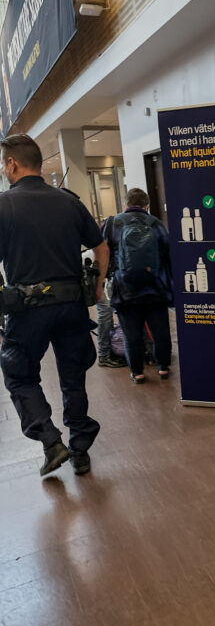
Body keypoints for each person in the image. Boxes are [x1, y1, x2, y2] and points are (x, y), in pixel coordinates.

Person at [0, 134, 109, 476]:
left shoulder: (3, 205)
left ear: (13, 164)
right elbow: (101, 248)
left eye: (4, 164)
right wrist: (98, 286)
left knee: (19, 375)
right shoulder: (68, 201)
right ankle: (80, 449)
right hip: (72, 306)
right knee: (73, 377)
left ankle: (51, 442)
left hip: (26, 310)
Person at [103, 188, 173, 384]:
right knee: (160, 331)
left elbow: (104, 253)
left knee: (131, 334)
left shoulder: (112, 224)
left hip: (125, 290)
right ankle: (163, 368)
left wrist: (109, 276)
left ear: (126, 204)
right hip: (155, 288)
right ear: (147, 205)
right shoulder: (156, 224)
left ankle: (138, 372)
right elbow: (168, 254)